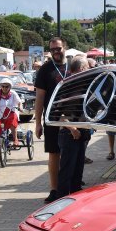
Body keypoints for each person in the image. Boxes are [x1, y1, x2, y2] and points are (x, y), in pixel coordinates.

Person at [34, 37, 69, 203]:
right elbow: (40, 97)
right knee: (54, 154)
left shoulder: (74, 66)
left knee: (73, 153)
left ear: (65, 48)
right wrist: (37, 123)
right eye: (53, 49)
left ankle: (72, 185)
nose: (56, 51)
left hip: (73, 117)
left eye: (58, 48)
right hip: (52, 118)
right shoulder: (45, 70)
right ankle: (54, 189)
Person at [56, 56, 91, 198]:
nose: (89, 70)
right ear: (82, 69)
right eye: (87, 68)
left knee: (78, 174)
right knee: (66, 174)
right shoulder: (67, 86)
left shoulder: (84, 85)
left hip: (81, 132)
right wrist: (72, 128)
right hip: (69, 134)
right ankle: (60, 205)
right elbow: (56, 113)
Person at [0, 77, 22, 147]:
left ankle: (15, 139)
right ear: (1, 87)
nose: (4, 88)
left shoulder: (13, 93)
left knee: (12, 123)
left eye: (6, 86)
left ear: (9, 87)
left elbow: (19, 102)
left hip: (11, 113)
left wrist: (20, 107)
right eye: (3, 86)